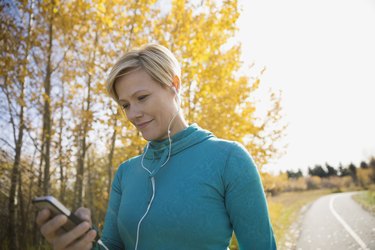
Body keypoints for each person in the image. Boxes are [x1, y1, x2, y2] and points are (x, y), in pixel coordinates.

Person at [36, 44, 277, 250]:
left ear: (173, 85)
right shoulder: (126, 173)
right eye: (125, 105)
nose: (133, 114)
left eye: (141, 98)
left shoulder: (229, 159)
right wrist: (80, 242)